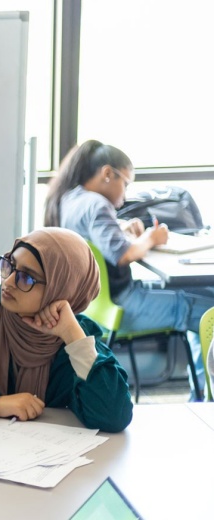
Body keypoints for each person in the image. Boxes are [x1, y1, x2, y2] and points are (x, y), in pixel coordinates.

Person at [0, 227, 133, 433]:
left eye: (27, 277)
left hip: (47, 461)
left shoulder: (76, 336)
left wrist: (73, 338)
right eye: (9, 265)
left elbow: (114, 417)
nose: (9, 281)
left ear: (60, 289)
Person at [44, 140, 213, 388]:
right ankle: (206, 394)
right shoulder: (96, 203)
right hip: (122, 304)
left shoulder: (71, 199)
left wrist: (122, 227)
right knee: (208, 310)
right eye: (125, 183)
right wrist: (151, 237)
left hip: (93, 305)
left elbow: (96, 239)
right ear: (107, 174)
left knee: (200, 301)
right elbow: (121, 254)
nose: (124, 196)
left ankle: (202, 392)